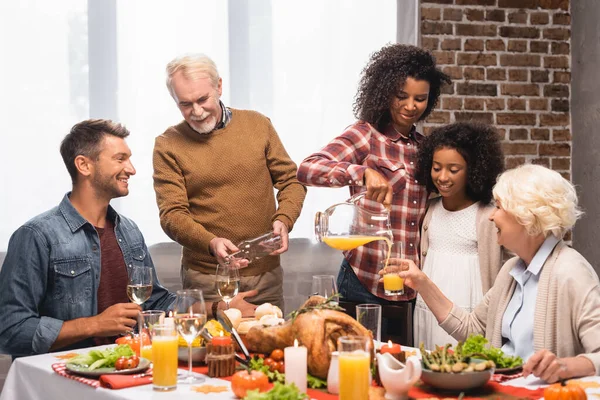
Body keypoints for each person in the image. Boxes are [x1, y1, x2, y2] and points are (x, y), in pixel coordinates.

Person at [0, 119, 256, 358]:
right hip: (62, 377)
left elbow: (157, 302)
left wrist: (218, 308)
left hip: (129, 368)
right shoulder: (36, 236)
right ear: (84, 165)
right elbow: (10, 330)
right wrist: (94, 325)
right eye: (120, 159)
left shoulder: (129, 231)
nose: (131, 170)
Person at [382, 164, 600, 383]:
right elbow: (472, 329)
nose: (491, 217)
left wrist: (564, 366)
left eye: (499, 207)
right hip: (502, 390)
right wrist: (421, 283)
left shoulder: (571, 272)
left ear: (527, 215)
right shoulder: (512, 270)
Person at [297, 44, 451, 312]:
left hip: (408, 286)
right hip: (363, 281)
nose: (410, 106)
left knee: (403, 355)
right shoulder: (366, 135)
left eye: (420, 98)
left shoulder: (425, 147)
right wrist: (361, 172)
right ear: (385, 91)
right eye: (401, 96)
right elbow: (308, 169)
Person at [153, 54, 306, 310]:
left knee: (269, 348)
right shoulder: (167, 144)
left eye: (203, 99)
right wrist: (210, 243)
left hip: (265, 275)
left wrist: (285, 218)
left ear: (219, 86)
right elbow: (171, 215)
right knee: (210, 350)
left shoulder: (258, 124)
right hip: (207, 279)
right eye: (185, 104)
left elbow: (292, 180)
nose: (197, 112)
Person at [414, 122, 504, 349]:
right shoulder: (430, 209)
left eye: (453, 170)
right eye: (436, 168)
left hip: (470, 307)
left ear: (474, 169)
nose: (443, 177)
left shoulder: (489, 215)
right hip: (428, 306)